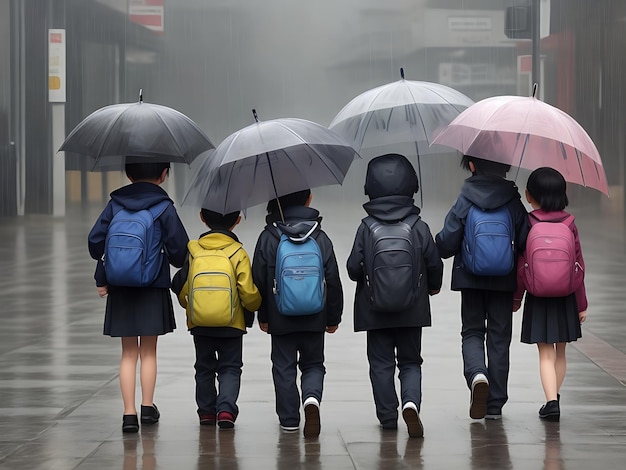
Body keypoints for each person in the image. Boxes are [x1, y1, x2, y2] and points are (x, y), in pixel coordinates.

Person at [346, 153, 443, 438]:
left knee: (380, 363)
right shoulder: (418, 226)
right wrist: (433, 286)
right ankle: (411, 402)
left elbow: (353, 267)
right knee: (411, 361)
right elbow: (434, 262)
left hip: (373, 310)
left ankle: (388, 416)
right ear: (411, 186)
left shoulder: (366, 227)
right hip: (412, 309)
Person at [88, 161, 189, 433]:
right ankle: (147, 407)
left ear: (128, 174)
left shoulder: (115, 204)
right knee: (149, 352)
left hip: (120, 286)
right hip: (152, 286)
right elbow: (180, 253)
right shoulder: (164, 208)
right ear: (164, 174)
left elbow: (95, 241)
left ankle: (128, 414)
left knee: (128, 353)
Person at [435, 155, 529, 420]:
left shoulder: (465, 198)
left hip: (471, 278)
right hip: (503, 279)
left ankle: (477, 374)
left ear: (472, 166)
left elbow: (448, 241)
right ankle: (495, 404)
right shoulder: (513, 200)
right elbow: (524, 240)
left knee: (473, 331)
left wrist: (435, 245)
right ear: (505, 166)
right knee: (499, 338)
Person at [252, 189, 343, 437]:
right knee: (313, 364)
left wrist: (263, 316)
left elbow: (258, 280)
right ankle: (311, 399)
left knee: (283, 367)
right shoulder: (320, 237)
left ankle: (290, 420)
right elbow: (332, 280)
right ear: (308, 199)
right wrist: (333, 317)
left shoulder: (268, 237)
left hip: (280, 316)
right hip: (315, 315)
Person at [171, 209, 262, 428]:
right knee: (230, 367)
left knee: (204, 368)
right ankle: (226, 410)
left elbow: (184, 288)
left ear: (202, 217)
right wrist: (256, 305)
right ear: (237, 220)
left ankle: (206, 412)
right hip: (232, 325)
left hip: (200, 324)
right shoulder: (238, 252)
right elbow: (248, 293)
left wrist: (191, 308)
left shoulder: (193, 251)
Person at [513, 167, 587, 421]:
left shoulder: (529, 222)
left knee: (545, 352)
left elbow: (523, 265)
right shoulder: (570, 223)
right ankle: (554, 393)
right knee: (560, 351)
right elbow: (578, 265)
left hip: (538, 295)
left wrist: (516, 297)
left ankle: (551, 401)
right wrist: (582, 304)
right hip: (566, 295)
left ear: (530, 195)